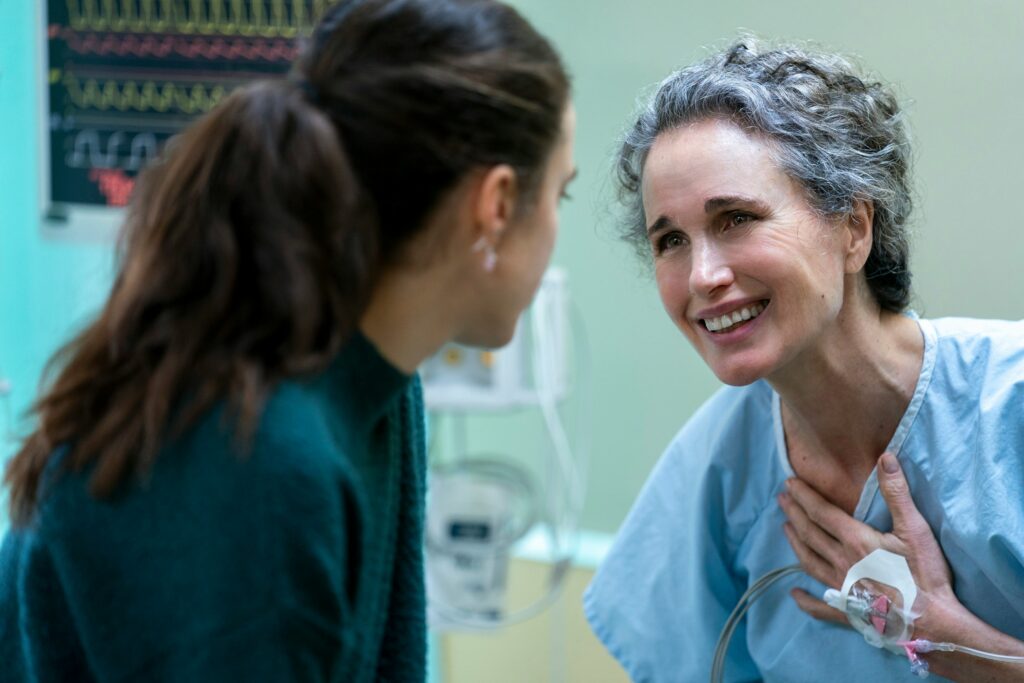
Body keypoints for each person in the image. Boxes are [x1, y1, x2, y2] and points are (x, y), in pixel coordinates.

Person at [0, 1, 576, 680]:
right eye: (558, 197)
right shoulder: (260, 454)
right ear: (499, 204)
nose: (556, 227)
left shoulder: (381, 390)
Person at [584, 40, 1024, 682]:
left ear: (853, 227)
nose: (702, 275)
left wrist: (951, 642)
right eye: (670, 240)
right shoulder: (715, 470)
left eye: (736, 218)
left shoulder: (1008, 407)